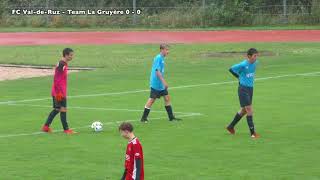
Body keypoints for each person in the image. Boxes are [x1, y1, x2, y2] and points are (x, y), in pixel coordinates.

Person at [140, 44, 181, 123]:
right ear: (162, 50)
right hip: (156, 83)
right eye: (166, 50)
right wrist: (164, 82)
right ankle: (143, 118)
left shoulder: (162, 58)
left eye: (168, 50)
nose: (168, 52)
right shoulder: (158, 58)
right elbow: (157, 72)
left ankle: (171, 118)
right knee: (152, 100)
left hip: (160, 84)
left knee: (167, 98)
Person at [226, 48, 260, 138]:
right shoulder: (243, 64)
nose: (256, 58)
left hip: (250, 89)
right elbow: (231, 69)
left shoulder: (256, 63)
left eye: (257, 56)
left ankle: (230, 127)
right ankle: (253, 133)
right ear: (249, 56)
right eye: (254, 56)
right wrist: (239, 77)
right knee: (249, 109)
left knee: (244, 110)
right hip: (243, 89)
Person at [42, 48, 75, 134]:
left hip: (57, 91)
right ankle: (66, 129)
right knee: (63, 109)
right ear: (66, 55)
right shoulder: (62, 65)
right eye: (71, 55)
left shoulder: (62, 64)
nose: (72, 57)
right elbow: (56, 79)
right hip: (59, 92)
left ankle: (46, 127)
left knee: (57, 109)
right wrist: (59, 92)